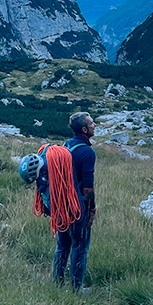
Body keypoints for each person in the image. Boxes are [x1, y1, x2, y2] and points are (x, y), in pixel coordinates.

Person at [53, 111, 97, 293]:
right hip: (79, 207)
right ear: (85, 129)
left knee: (62, 245)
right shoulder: (87, 152)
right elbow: (87, 188)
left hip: (61, 205)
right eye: (92, 123)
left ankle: (56, 283)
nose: (95, 125)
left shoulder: (65, 146)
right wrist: (92, 208)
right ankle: (76, 289)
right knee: (80, 246)